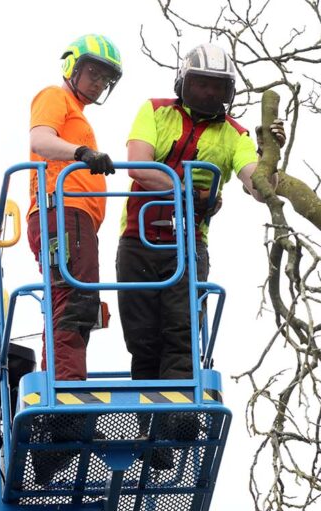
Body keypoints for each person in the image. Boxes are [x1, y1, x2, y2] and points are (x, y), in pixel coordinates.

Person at [117, 42, 285, 382]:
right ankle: (147, 416)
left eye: (217, 86)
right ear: (184, 83)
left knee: (182, 334)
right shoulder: (154, 111)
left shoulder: (234, 135)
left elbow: (257, 187)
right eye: (201, 84)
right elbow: (138, 166)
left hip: (190, 244)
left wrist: (272, 156)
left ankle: (178, 416)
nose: (209, 92)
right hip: (138, 238)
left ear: (228, 92)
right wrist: (189, 191)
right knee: (141, 337)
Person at [27, 34, 122, 380]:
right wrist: (82, 154)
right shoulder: (55, 96)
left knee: (79, 303)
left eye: (105, 79)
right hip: (62, 212)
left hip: (77, 221)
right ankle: (65, 387)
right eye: (93, 74)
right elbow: (40, 139)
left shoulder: (79, 115)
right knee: (72, 302)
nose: (98, 84)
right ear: (73, 67)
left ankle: (65, 380)